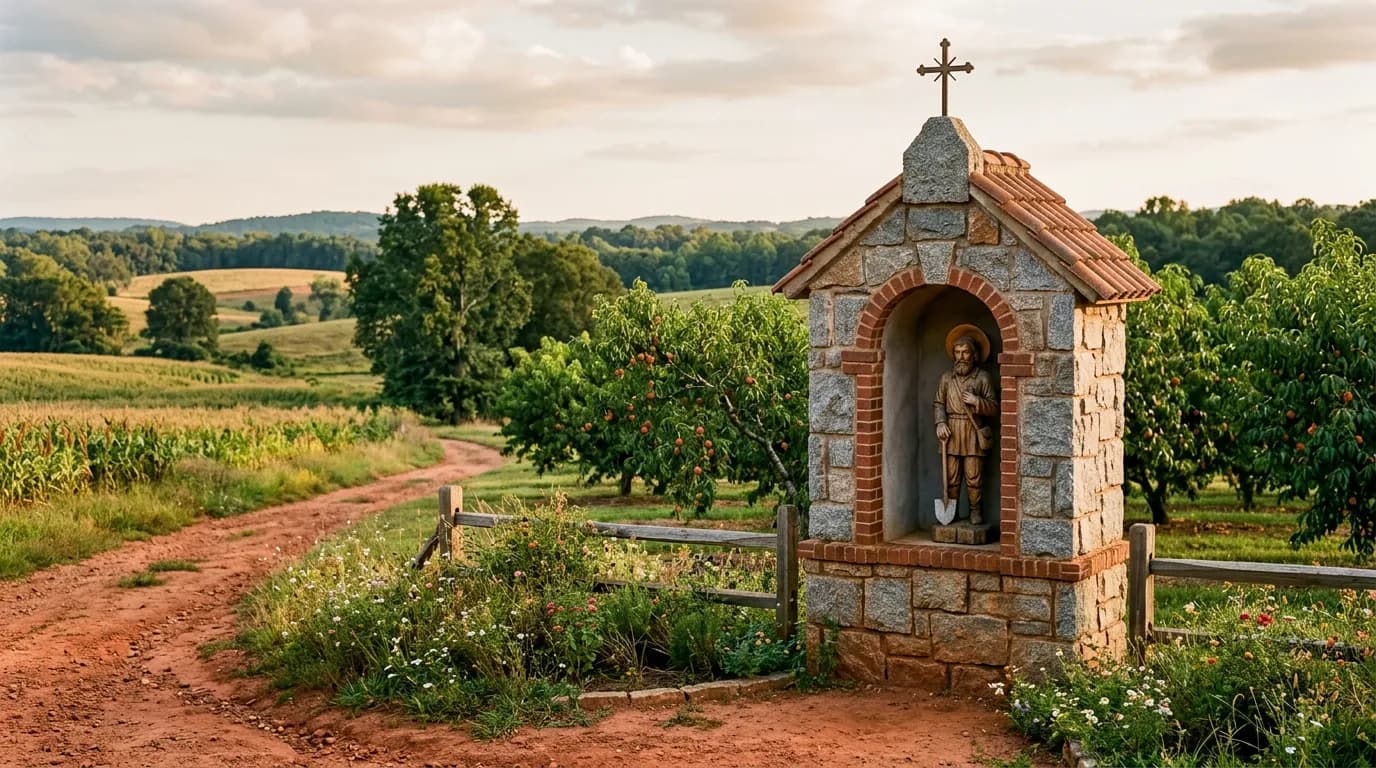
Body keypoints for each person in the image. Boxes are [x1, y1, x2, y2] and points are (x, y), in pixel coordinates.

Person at [933, 325, 997, 525]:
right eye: (957, 352)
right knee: (951, 477)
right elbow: (938, 403)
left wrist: (977, 401)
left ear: (974, 354)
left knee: (973, 477)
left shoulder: (982, 378)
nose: (961, 357)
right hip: (951, 431)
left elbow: (994, 407)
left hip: (971, 432)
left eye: (965, 352)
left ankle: (975, 511)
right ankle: (951, 511)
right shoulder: (946, 378)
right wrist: (940, 422)